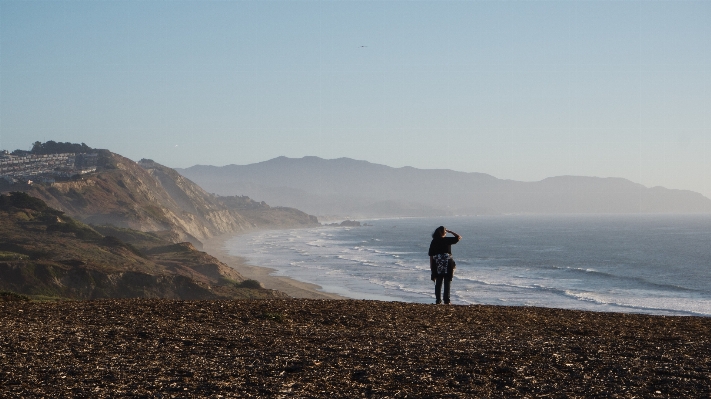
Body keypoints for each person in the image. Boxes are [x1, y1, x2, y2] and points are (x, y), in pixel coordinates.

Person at [428, 226, 462, 304]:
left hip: (437, 263)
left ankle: (438, 300)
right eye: (445, 232)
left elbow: (431, 255)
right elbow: (458, 237)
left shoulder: (434, 241)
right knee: (447, 281)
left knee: (438, 282)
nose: (446, 233)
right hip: (447, 262)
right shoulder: (446, 240)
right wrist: (450, 231)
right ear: (442, 232)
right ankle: (446, 300)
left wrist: (431, 266)